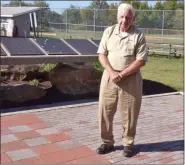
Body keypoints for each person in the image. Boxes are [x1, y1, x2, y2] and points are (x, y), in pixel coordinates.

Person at [96, 3, 148, 157]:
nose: (124, 20)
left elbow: (141, 60)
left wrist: (123, 74)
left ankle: (128, 144)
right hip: (109, 77)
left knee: (130, 113)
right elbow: (101, 54)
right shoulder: (109, 32)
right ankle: (107, 143)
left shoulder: (138, 35)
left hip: (131, 78)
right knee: (104, 111)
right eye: (122, 17)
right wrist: (112, 72)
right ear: (117, 16)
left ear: (133, 19)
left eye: (128, 17)